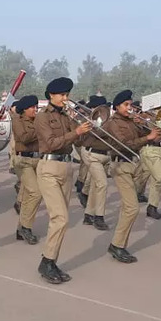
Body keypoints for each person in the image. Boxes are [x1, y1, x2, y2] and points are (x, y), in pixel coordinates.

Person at [35, 78, 93, 284]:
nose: (66, 99)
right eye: (62, 95)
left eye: (67, 95)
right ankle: (47, 261)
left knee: (60, 219)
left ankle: (51, 260)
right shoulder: (42, 118)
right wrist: (75, 131)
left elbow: (76, 140)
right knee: (61, 218)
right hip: (49, 167)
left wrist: (85, 129)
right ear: (51, 95)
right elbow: (51, 143)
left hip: (66, 167)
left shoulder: (66, 116)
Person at [99, 91, 161, 263]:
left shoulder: (130, 121)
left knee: (128, 208)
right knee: (132, 208)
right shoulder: (113, 123)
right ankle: (117, 245)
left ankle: (119, 243)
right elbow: (123, 145)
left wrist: (149, 130)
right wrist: (147, 137)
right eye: (126, 105)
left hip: (133, 164)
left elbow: (144, 138)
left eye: (130, 104)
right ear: (117, 106)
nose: (130, 108)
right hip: (120, 166)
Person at [9, 95, 42, 245]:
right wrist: (40, 128)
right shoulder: (17, 120)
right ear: (24, 109)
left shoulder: (37, 121)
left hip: (37, 159)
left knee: (29, 195)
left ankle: (20, 229)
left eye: (36, 107)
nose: (35, 109)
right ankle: (26, 227)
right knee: (35, 193)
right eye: (32, 107)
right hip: (23, 161)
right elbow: (24, 138)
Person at [77, 94, 112, 230]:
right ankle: (99, 217)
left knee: (95, 185)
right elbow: (81, 139)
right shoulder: (88, 120)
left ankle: (88, 214)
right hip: (92, 154)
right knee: (102, 184)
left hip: (105, 155)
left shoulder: (109, 119)